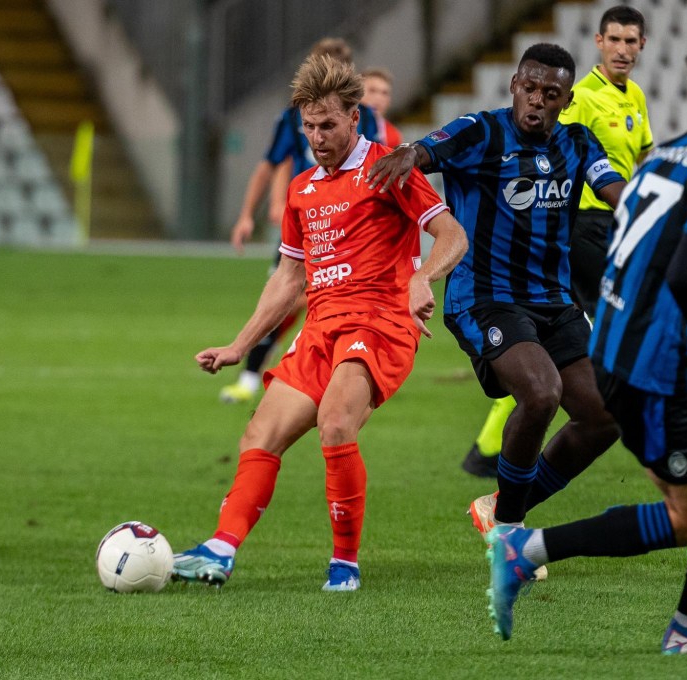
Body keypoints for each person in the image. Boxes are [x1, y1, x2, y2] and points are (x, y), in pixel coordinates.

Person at [484, 32, 687, 654]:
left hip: (642, 344)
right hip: (649, 365)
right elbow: (684, 274)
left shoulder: (671, 154)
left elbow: (630, 255)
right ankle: (525, 548)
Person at [172, 53, 467, 592]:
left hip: (378, 324)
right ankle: (218, 550)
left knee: (335, 424)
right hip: (321, 329)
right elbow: (289, 278)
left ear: (355, 118)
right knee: (260, 433)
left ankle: (345, 565)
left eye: (327, 125)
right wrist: (240, 345)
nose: (317, 136)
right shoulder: (303, 187)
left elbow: (452, 235)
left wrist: (423, 277)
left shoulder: (390, 167)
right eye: (308, 126)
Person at [368, 43, 626, 561]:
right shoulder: (479, 131)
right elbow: (420, 153)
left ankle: (504, 505)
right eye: (529, 88)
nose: (536, 101)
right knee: (541, 392)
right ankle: (510, 533)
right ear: (514, 85)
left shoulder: (578, 142)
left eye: (550, 94)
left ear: (566, 99)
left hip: (554, 301)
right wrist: (401, 156)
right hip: (485, 299)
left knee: (605, 417)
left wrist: (650, 206)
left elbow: (615, 189)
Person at [461, 5, 653, 478]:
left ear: (642, 46)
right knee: (565, 358)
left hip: (606, 230)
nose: (624, 50)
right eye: (616, 40)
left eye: (632, 41)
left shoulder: (635, 99)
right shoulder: (578, 97)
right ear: (600, 42)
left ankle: (495, 452)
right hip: (577, 231)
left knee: (563, 366)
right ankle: (501, 464)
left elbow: (641, 158)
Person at [220, 38, 385, 404]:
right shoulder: (292, 116)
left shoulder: (366, 118)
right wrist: (252, 212)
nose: (317, 133)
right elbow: (273, 164)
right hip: (306, 222)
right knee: (286, 295)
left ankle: (308, 370)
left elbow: (373, 169)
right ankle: (252, 374)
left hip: (347, 230)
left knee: (320, 302)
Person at [362, 67, 403, 147]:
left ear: (389, 101)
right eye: (372, 90)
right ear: (357, 94)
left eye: (384, 93)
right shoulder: (345, 127)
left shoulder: (394, 135)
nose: (378, 98)